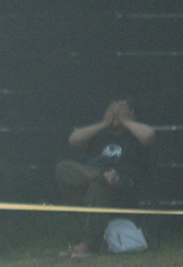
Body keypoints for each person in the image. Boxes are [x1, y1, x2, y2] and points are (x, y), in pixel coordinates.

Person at [56, 99, 156, 258]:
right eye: (111, 110)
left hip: (121, 185)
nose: (115, 113)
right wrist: (104, 123)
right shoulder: (100, 135)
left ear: (131, 114)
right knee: (64, 168)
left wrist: (126, 121)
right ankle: (100, 175)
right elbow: (74, 140)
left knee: (98, 184)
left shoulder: (135, 136)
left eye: (120, 109)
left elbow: (149, 135)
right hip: (92, 179)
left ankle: (89, 245)